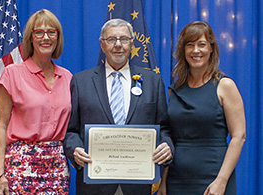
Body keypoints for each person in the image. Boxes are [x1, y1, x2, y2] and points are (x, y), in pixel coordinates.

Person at [63, 18, 174, 195]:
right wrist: (75, 149)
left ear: (132, 43)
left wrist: (167, 145)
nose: (118, 45)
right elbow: (70, 131)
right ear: (102, 44)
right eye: (111, 39)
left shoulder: (153, 81)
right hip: (95, 185)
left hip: (137, 184)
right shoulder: (81, 81)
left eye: (123, 39)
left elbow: (165, 128)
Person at [158, 21, 246, 195]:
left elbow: (239, 136)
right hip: (176, 181)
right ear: (183, 50)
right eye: (189, 45)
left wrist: (221, 181)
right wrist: (163, 181)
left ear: (211, 48)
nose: (195, 50)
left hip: (213, 180)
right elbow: (172, 139)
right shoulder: (174, 90)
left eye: (202, 44)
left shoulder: (225, 85)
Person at [0, 9, 71, 194]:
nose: (46, 37)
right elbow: (2, 125)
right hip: (21, 165)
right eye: (39, 32)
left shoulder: (68, 77)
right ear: (30, 38)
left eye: (51, 32)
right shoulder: (12, 74)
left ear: (57, 37)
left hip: (57, 167)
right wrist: (0, 174)